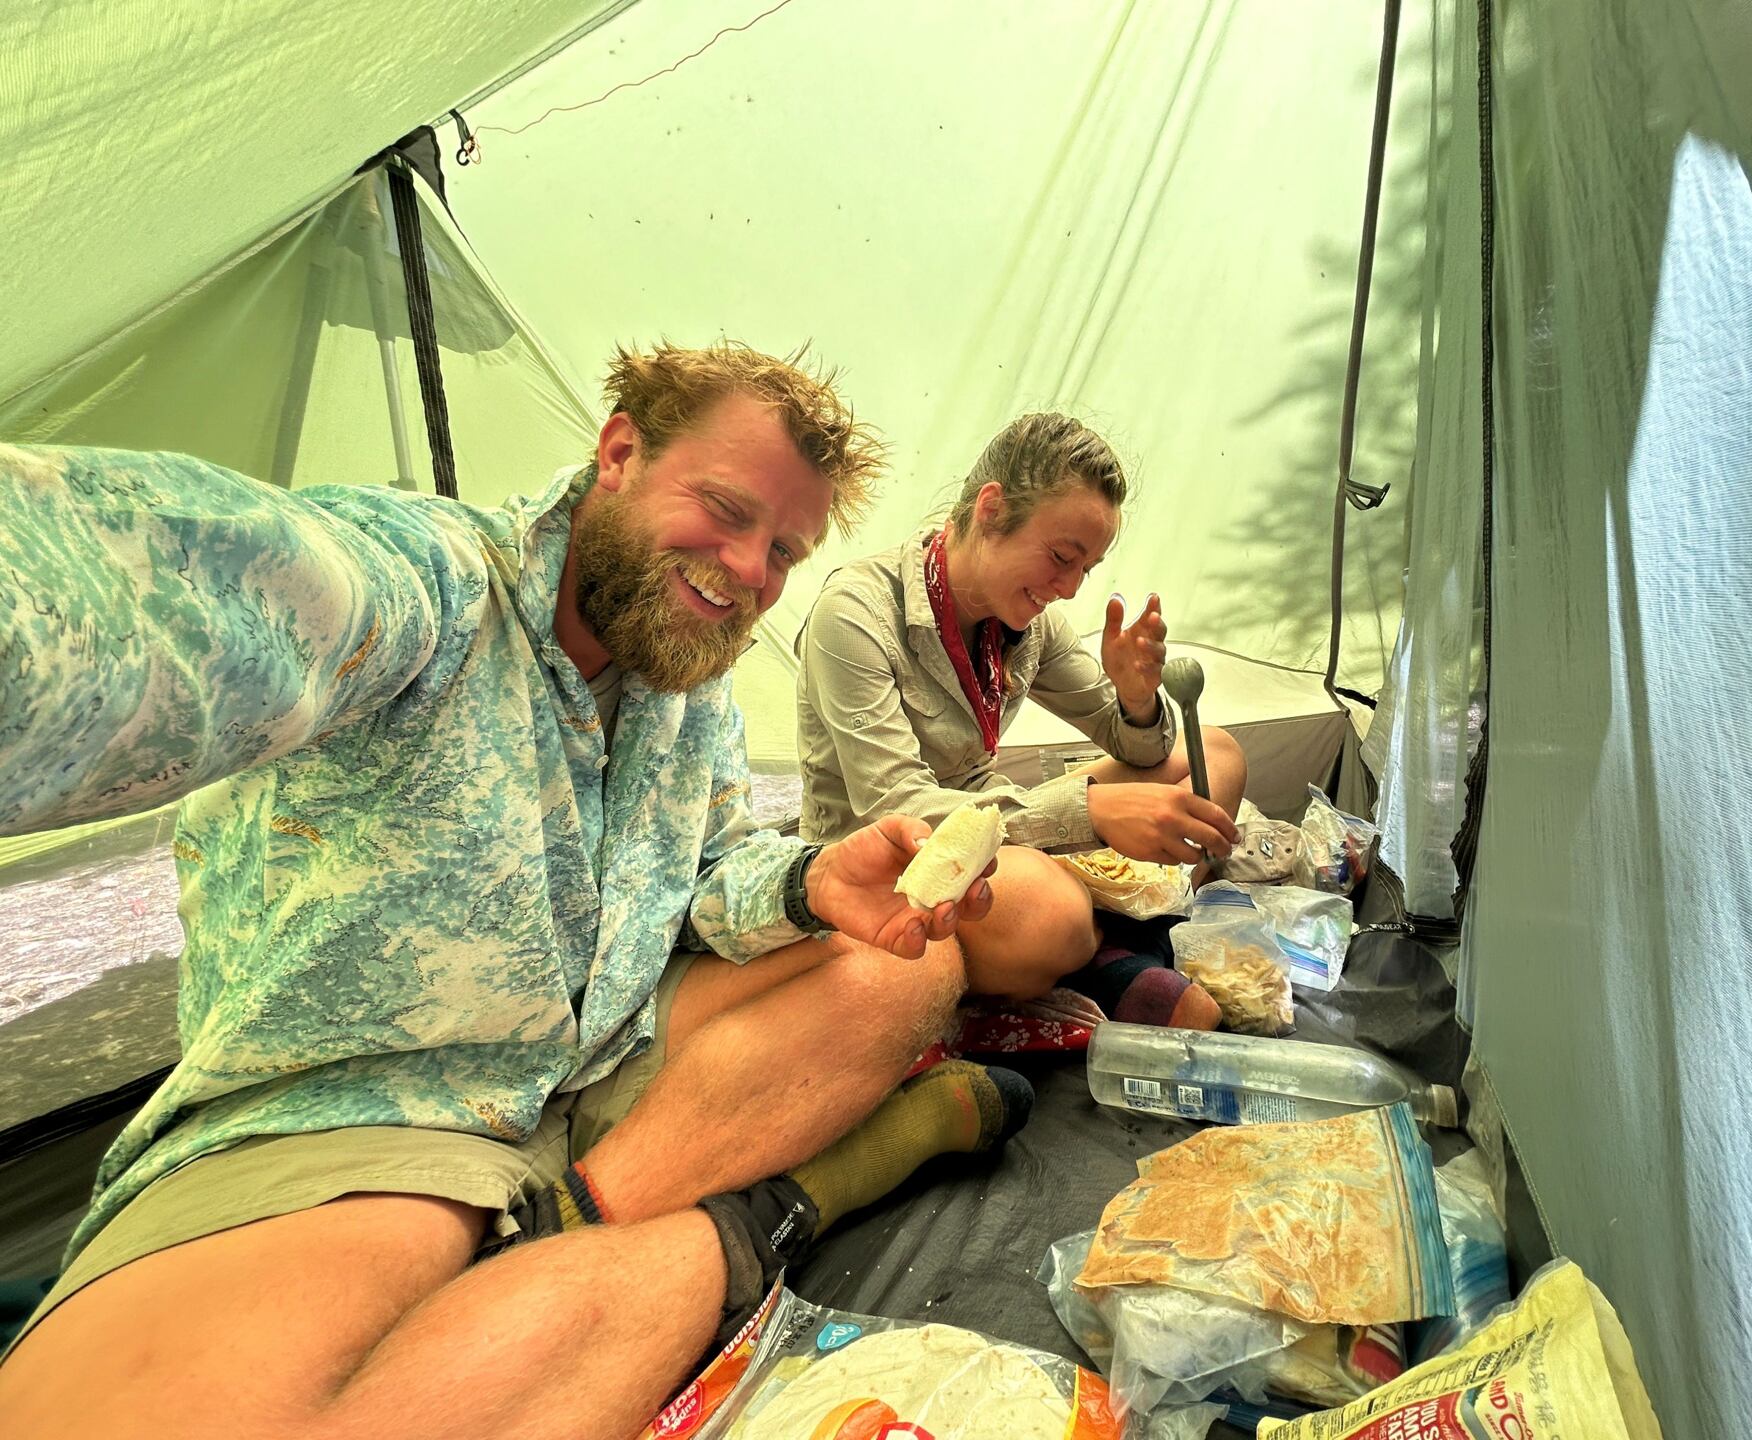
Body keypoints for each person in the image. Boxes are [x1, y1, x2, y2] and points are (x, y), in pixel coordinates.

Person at [0, 342, 1029, 1440]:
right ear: (620, 453)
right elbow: (183, 591)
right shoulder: (430, 583)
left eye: (783, 549)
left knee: (903, 969)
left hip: (610, 1048)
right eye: (726, 510)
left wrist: (811, 881)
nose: (747, 569)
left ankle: (568, 1242)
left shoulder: (688, 678)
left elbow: (706, 875)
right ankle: (786, 1204)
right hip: (375, 1110)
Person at [796, 412, 1247, 1022]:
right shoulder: (854, 615)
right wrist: (1091, 813)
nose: (1070, 588)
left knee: (1214, 755)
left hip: (995, 826)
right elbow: (895, 805)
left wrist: (1136, 698)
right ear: (991, 511)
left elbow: (1140, 749)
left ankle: (1114, 935)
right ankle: (1102, 947)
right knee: (1049, 912)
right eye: (1062, 557)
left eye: (1086, 570)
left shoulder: (1029, 621)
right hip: (898, 863)